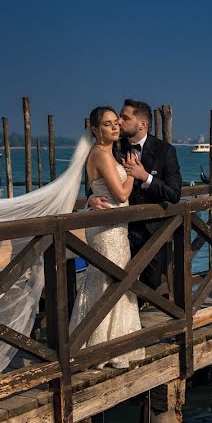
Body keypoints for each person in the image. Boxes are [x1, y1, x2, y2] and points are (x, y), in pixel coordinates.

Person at [70, 106, 145, 369]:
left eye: (116, 123)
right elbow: (122, 196)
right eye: (107, 124)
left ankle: (112, 343)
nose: (115, 127)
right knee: (108, 282)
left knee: (112, 280)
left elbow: (94, 187)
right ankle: (99, 347)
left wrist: (90, 196)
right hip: (107, 231)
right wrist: (134, 176)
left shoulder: (108, 153)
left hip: (115, 227)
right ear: (94, 129)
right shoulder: (100, 154)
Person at [89, 99, 182, 294]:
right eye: (117, 119)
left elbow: (174, 194)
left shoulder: (165, 151)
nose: (119, 123)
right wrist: (91, 198)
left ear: (143, 124)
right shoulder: (112, 145)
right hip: (116, 227)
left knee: (150, 283)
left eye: (124, 118)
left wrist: (145, 177)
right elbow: (93, 179)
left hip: (152, 232)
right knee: (111, 281)